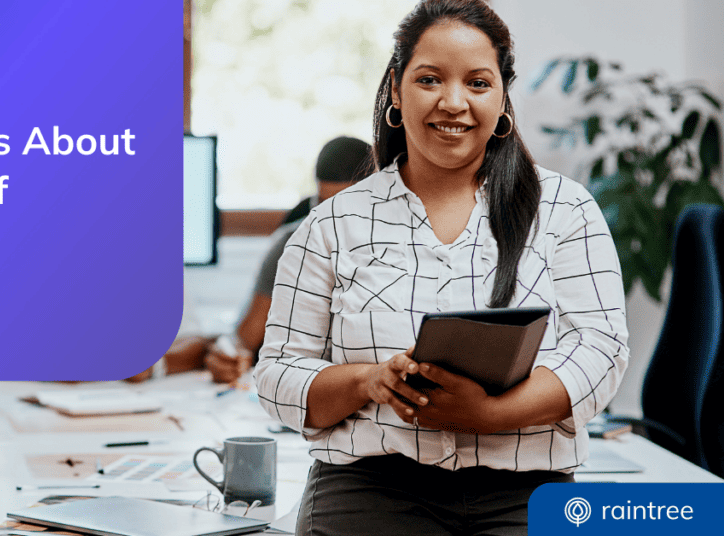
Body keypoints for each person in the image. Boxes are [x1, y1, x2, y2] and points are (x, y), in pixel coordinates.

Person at [254, 1, 629, 534]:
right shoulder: (332, 224)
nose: (454, 103)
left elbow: (602, 350)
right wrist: (369, 380)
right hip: (369, 490)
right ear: (396, 90)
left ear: (502, 101)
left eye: (478, 83)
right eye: (430, 79)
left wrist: (489, 416)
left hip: (523, 496)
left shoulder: (566, 210)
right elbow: (276, 377)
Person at [129, 136, 372, 384]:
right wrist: (229, 356)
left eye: (342, 207)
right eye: (320, 204)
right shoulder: (293, 242)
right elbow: (243, 340)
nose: (327, 221)